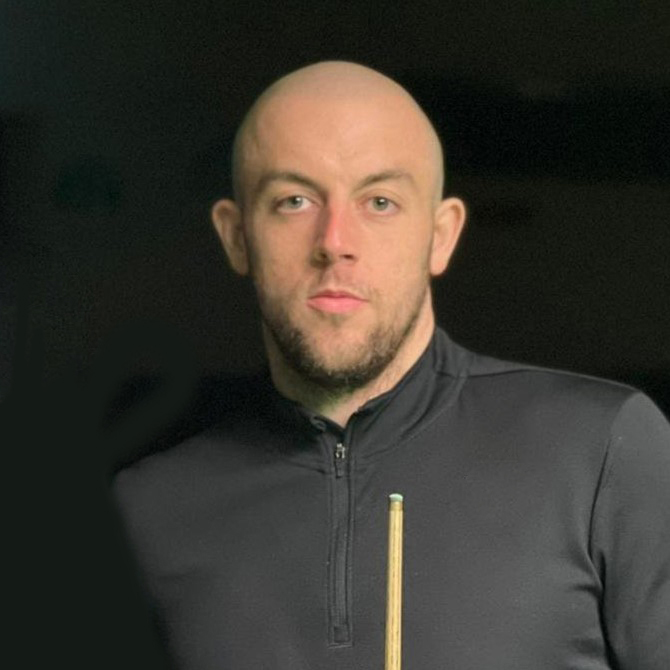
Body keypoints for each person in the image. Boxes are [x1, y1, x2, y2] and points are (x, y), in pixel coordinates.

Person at [112, 61, 670, 669]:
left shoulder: (603, 453)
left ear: (441, 236)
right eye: (294, 200)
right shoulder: (147, 513)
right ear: (236, 236)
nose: (334, 241)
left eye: (379, 201)